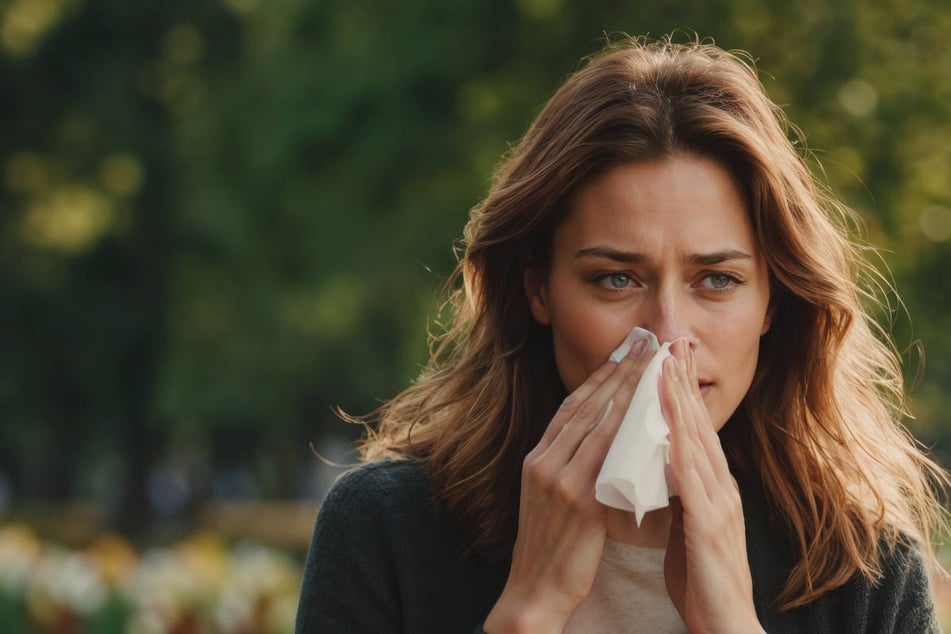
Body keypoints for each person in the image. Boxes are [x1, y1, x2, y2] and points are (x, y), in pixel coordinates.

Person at [295, 35, 949, 633]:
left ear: (771, 302)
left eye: (715, 280)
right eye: (615, 280)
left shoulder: (864, 565)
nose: (666, 337)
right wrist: (527, 611)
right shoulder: (387, 528)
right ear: (537, 288)